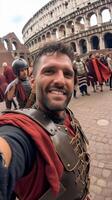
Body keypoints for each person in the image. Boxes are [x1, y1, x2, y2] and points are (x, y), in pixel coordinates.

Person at [0, 42, 90, 200]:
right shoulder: (23, 133)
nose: (61, 80)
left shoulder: (69, 115)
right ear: (33, 79)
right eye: (49, 71)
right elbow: (9, 145)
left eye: (67, 74)